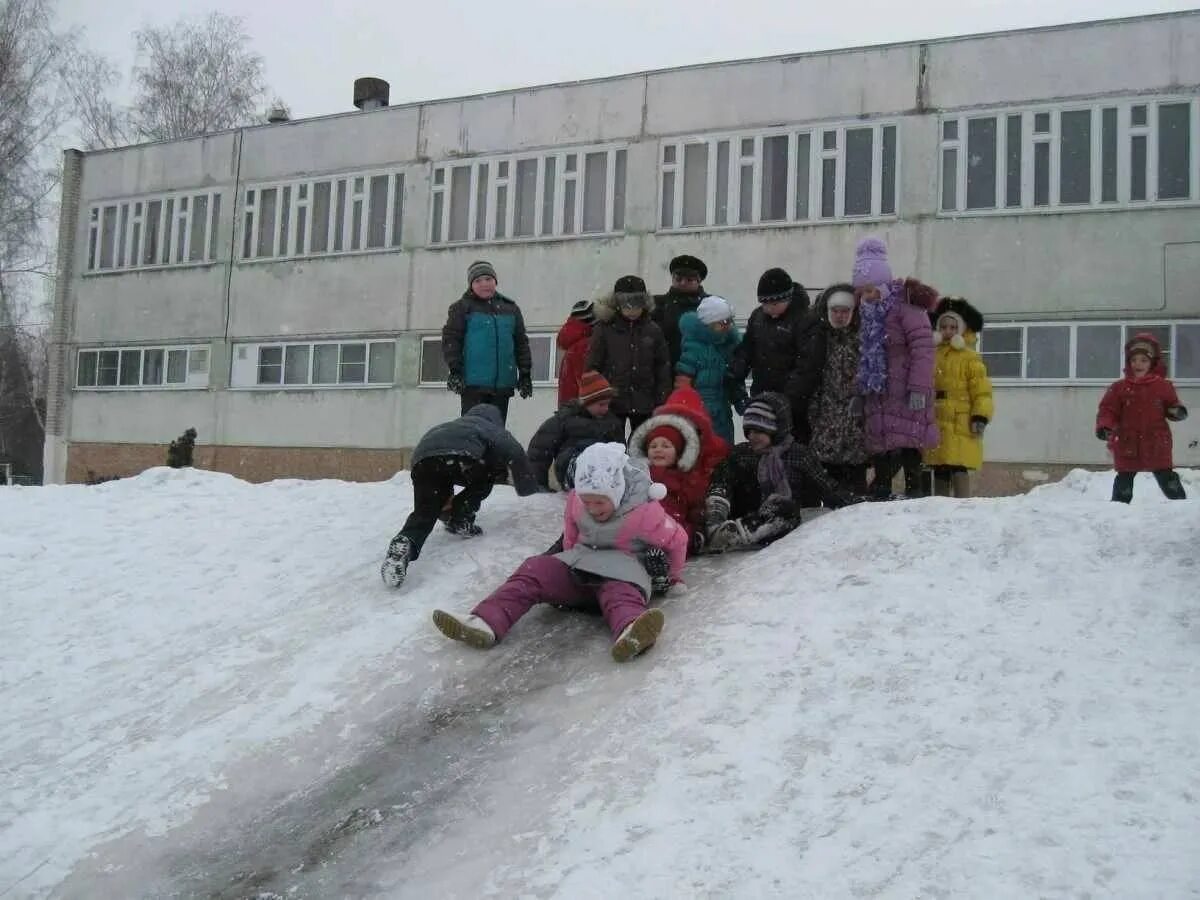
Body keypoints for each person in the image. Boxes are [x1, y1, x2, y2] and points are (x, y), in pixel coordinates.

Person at [431, 443, 688, 662]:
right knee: (535, 568)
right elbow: (570, 533)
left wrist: (674, 578)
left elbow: (678, 540)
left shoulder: (644, 513)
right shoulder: (578, 502)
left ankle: (631, 631)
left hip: (623, 572)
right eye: (588, 502)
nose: (593, 509)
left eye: (600, 502)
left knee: (620, 594)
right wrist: (561, 568)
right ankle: (485, 622)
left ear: (618, 491)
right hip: (580, 566)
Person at [380, 404, 539, 588]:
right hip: (460, 457)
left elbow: (427, 450)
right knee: (487, 476)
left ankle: (405, 543)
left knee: (425, 510)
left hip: (423, 461)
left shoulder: (449, 425)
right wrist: (528, 486)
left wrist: (441, 501)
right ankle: (461, 518)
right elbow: (514, 451)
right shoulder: (489, 427)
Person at [703, 393, 863, 552]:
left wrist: (861, 500)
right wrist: (718, 510)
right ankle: (715, 529)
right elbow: (721, 479)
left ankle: (738, 533)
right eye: (748, 431)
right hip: (741, 513)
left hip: (777, 522)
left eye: (759, 431)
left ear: (776, 430)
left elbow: (827, 487)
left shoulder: (799, 455)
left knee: (785, 508)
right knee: (722, 479)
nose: (752, 436)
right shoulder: (742, 453)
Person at [850, 237, 939, 499]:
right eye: (862, 291)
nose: (866, 297)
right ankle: (881, 491)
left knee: (910, 442)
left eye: (870, 290)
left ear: (883, 284)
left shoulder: (906, 309)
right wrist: (859, 392)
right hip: (878, 391)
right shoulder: (867, 314)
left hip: (905, 389)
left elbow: (923, 349)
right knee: (881, 442)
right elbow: (863, 356)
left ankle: (915, 491)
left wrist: (919, 388)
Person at [629, 385, 731, 551]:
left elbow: (696, 494)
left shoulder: (710, 451)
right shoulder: (644, 469)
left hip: (680, 518)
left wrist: (698, 518)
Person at [794, 284, 870, 493]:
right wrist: (815, 412)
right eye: (835, 311)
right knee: (828, 477)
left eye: (845, 311)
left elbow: (872, 372)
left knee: (855, 474)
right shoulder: (819, 337)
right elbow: (811, 375)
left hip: (855, 414)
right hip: (826, 413)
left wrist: (863, 399)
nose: (839, 316)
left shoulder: (862, 338)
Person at [1096, 333, 1188, 503]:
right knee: (1124, 479)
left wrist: (1177, 411)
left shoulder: (1163, 386)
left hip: (1156, 442)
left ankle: (1181, 507)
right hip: (1128, 441)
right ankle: (1118, 508)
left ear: (1152, 363)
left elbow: (1171, 405)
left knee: (1167, 477)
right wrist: (1105, 427)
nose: (1138, 364)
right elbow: (1108, 410)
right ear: (1129, 363)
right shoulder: (1119, 388)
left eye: (1143, 360)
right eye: (1134, 360)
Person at [440, 260, 533, 423]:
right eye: (478, 281)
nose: (484, 284)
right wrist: (455, 369)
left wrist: (525, 373)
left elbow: (521, 343)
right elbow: (452, 340)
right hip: (473, 385)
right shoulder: (462, 308)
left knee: (497, 433)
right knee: (473, 431)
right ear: (471, 285)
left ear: (495, 281)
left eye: (488, 279)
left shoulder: (510, 308)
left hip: (503, 385)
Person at [728, 267, 815, 439]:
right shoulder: (758, 317)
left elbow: (807, 366)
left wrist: (786, 399)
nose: (769, 309)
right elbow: (746, 350)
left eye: (774, 304)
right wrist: (735, 372)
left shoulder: (805, 320)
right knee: (762, 447)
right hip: (762, 397)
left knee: (791, 448)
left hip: (793, 405)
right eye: (764, 304)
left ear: (788, 298)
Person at [922, 298, 994, 498]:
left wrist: (980, 415)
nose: (948, 331)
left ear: (961, 330)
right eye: (944, 326)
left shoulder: (970, 358)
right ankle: (940, 504)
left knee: (958, 466)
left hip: (961, 420)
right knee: (940, 466)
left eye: (953, 327)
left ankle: (963, 505)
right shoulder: (932, 355)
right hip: (936, 417)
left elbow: (981, 390)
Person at [586, 275, 671, 436]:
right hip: (611, 400)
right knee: (611, 445)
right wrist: (594, 397)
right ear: (617, 304)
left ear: (644, 304)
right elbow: (593, 364)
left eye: (637, 304)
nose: (632, 310)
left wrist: (661, 398)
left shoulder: (653, 330)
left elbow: (662, 367)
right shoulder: (604, 329)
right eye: (627, 305)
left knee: (641, 446)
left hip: (645, 401)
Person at [527, 371, 624, 490]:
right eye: (601, 404)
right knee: (586, 455)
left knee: (607, 456)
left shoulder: (611, 423)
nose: (606, 409)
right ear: (586, 402)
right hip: (572, 466)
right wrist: (538, 483)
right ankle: (591, 484)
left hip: (605, 469)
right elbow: (539, 450)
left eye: (608, 404)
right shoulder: (565, 419)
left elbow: (620, 450)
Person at [675, 295, 745, 445]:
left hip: (722, 411)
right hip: (699, 413)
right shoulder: (694, 348)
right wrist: (687, 409)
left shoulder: (728, 346)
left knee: (724, 446)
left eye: (730, 321)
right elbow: (683, 382)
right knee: (703, 449)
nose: (728, 326)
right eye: (724, 322)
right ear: (709, 323)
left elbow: (733, 380)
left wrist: (741, 401)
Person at [652, 254, 709, 368]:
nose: (683, 283)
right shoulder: (657, 304)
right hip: (664, 369)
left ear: (699, 281)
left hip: (700, 370)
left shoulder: (710, 305)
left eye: (689, 280)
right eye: (678, 279)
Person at [556, 299, 597, 406]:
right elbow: (588, 385)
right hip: (582, 410)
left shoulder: (574, 345)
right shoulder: (583, 346)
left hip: (571, 408)